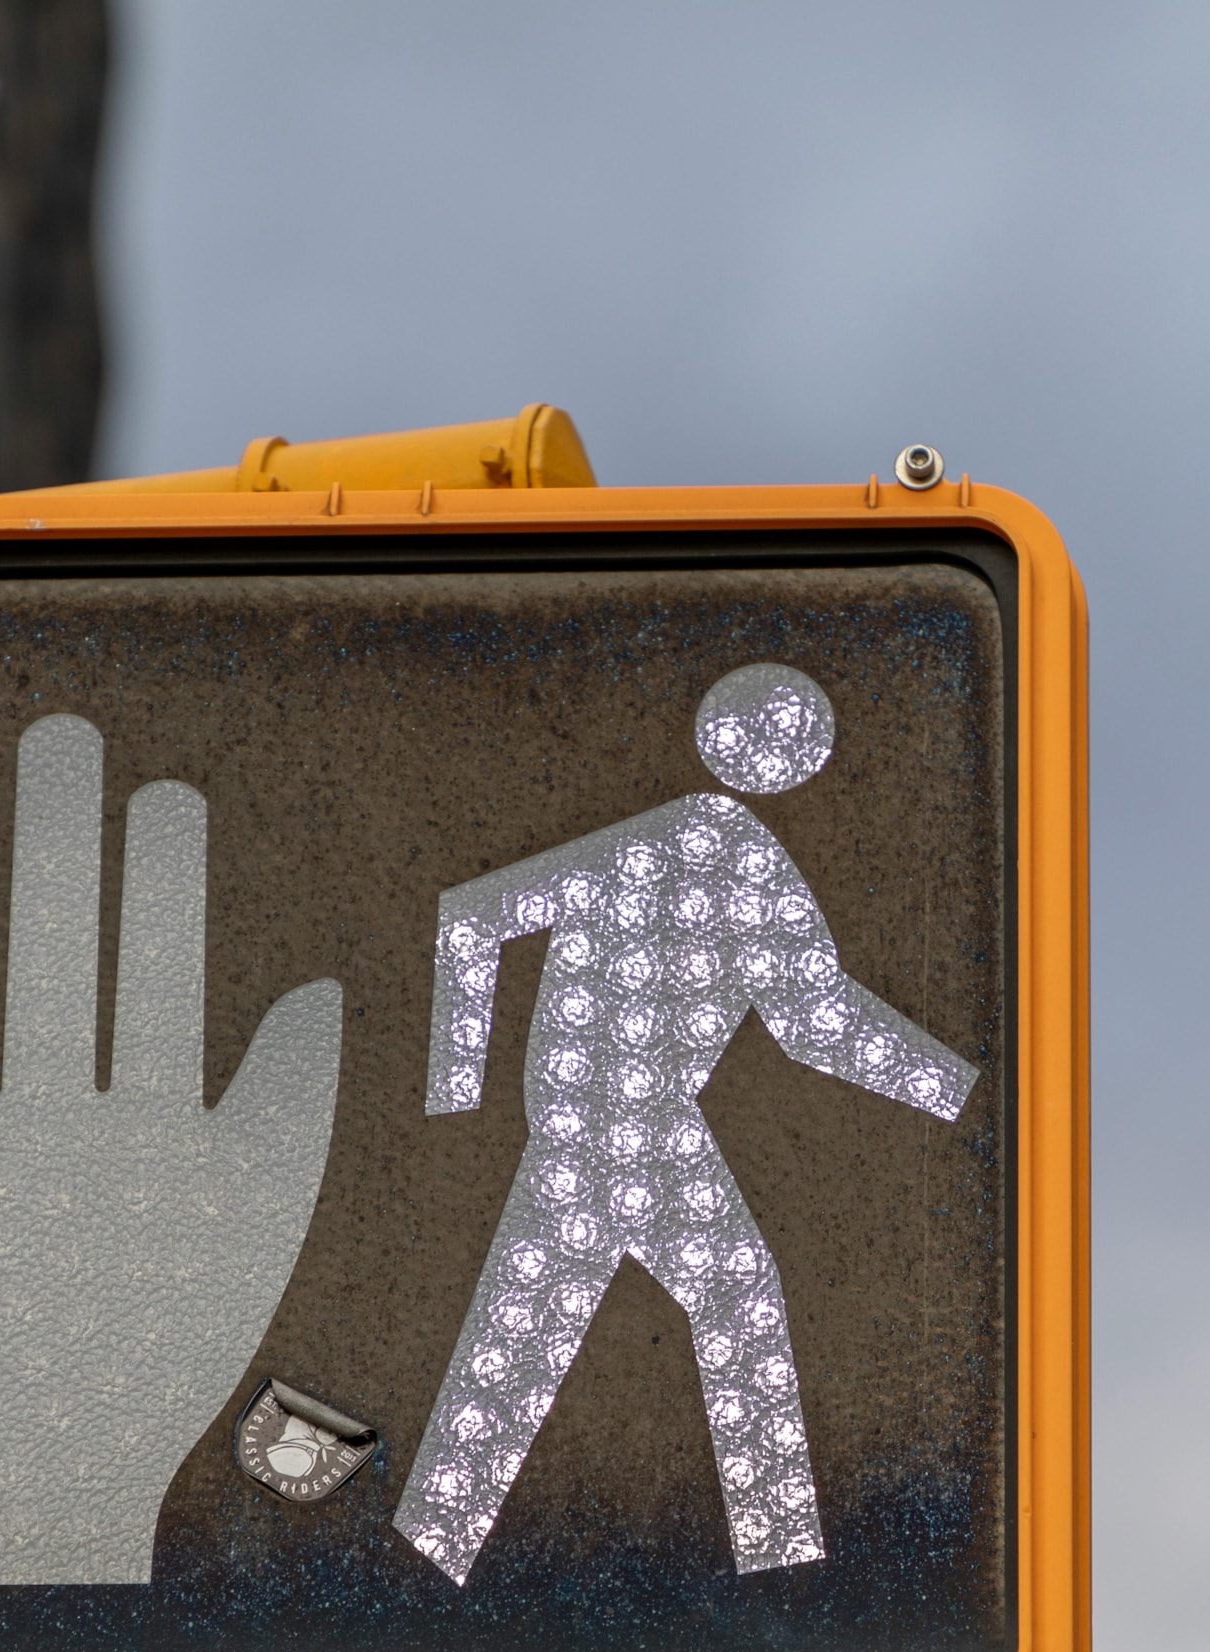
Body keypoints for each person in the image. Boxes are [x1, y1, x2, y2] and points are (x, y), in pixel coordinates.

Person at [396, 663, 978, 1587]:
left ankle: (433, 1548)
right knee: (715, 1302)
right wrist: (950, 1091)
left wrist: (461, 1095)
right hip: (627, 1129)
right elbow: (814, 1019)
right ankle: (781, 1564)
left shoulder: (653, 847)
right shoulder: (728, 854)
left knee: (535, 1334)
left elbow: (473, 919)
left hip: (601, 1125)